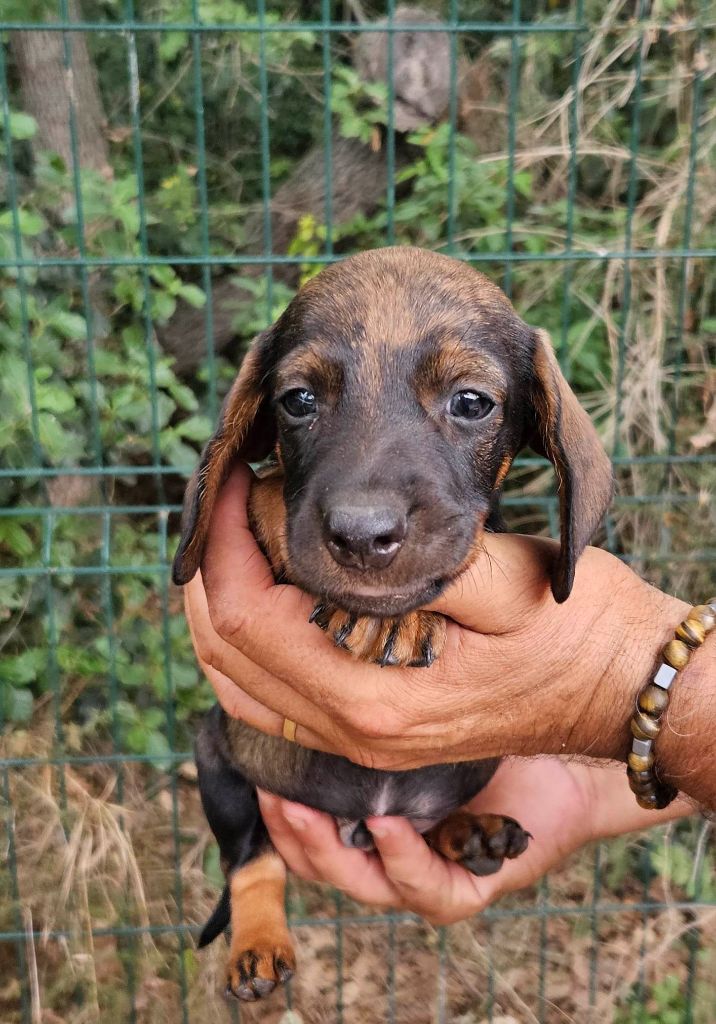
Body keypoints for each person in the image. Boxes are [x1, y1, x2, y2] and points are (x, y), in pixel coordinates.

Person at [183, 464, 715, 925]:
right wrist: (584, 788)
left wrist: (610, 688)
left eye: (469, 405)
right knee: (218, 740)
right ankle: (253, 884)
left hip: (451, 788)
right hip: (293, 782)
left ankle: (447, 829)